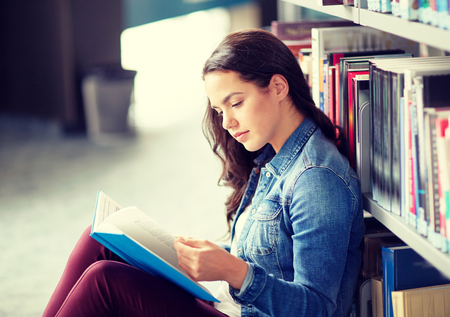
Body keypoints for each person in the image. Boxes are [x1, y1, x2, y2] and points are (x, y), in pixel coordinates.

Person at [43, 28, 364, 317]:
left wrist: (233, 271)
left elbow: (318, 308)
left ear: (278, 87)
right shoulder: (275, 156)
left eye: (236, 103)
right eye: (220, 110)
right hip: (229, 300)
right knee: (96, 238)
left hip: (244, 311)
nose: (226, 123)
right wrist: (196, 255)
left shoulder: (316, 179)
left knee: (105, 281)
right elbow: (267, 256)